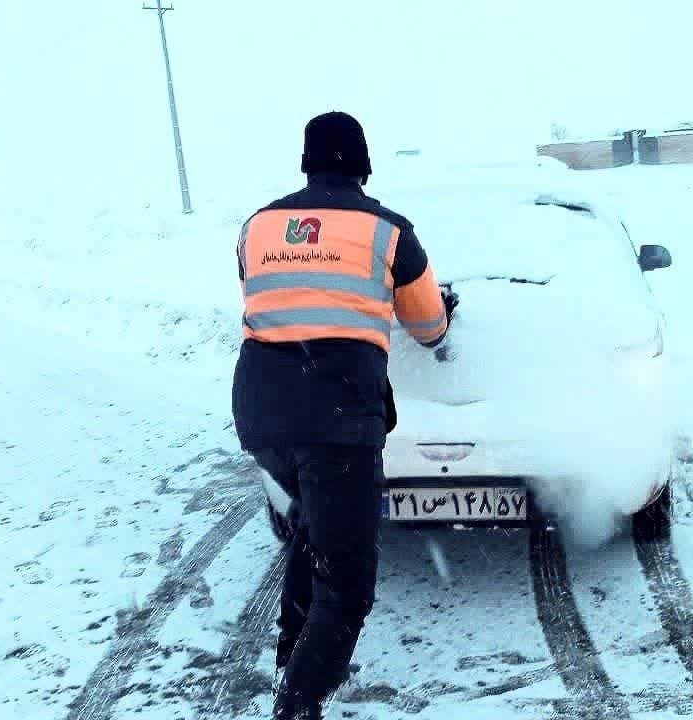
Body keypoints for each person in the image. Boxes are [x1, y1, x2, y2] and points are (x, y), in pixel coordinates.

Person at [232, 111, 457, 720]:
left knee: (314, 537)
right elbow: (428, 325)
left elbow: (272, 292)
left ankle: (291, 666)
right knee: (349, 584)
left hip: (261, 414)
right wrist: (441, 312)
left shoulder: (258, 225)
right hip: (334, 418)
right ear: (363, 165)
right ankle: (298, 706)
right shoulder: (388, 232)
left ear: (307, 162)